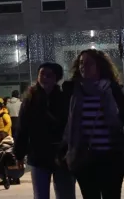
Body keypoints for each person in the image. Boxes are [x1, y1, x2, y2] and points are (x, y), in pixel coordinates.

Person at [62, 49, 124, 199]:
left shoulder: (112, 90)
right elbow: (66, 125)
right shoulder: (73, 91)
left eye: (89, 63)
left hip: (110, 158)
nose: (83, 66)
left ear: (99, 66)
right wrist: (62, 151)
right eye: (81, 63)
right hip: (84, 159)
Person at [14, 62, 75, 199]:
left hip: (62, 156)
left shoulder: (64, 98)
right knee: (41, 195)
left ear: (57, 78)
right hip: (38, 156)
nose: (45, 78)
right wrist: (19, 154)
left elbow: (71, 126)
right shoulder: (30, 100)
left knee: (66, 194)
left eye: (49, 75)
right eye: (42, 74)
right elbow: (22, 129)